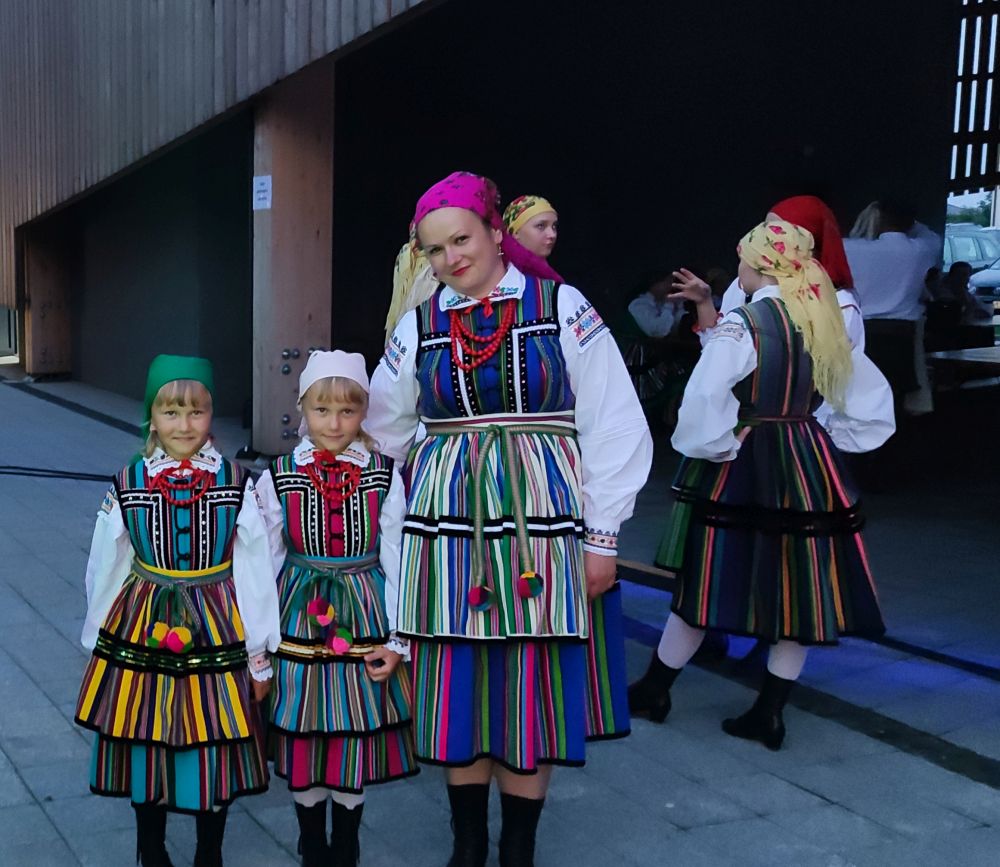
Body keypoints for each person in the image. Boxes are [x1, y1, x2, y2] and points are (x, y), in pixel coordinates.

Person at [368, 171, 652, 867]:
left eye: (461, 239)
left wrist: (603, 536)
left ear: (496, 233)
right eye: (435, 249)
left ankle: (517, 845)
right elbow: (383, 427)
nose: (451, 258)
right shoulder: (419, 324)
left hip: (542, 524)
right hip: (448, 527)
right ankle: (467, 844)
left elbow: (614, 420)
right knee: (459, 681)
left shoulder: (561, 306)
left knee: (533, 680)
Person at [629, 220, 894, 749]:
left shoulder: (744, 323)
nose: (739, 270)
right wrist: (821, 436)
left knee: (708, 575)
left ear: (760, 266)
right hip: (805, 456)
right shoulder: (822, 319)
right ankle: (769, 712)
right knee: (800, 586)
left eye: (743, 261)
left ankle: (656, 689)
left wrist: (715, 446)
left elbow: (704, 397)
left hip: (745, 456)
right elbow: (867, 401)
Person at [75, 354, 281, 867]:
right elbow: (106, 563)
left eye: (196, 411)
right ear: (151, 417)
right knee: (145, 733)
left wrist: (259, 653)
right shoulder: (128, 481)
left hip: (217, 623)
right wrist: (97, 640)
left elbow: (254, 570)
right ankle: (152, 848)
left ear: (211, 414)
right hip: (143, 622)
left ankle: (210, 850)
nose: (184, 425)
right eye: (170, 412)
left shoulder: (236, 482)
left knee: (215, 733)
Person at [256, 350, 417, 867]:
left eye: (348, 411)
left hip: (363, 609)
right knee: (304, 730)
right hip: (298, 612)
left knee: (351, 730)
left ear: (364, 411)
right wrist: (259, 643)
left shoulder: (383, 475)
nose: (334, 423)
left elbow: (398, 558)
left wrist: (399, 637)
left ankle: (346, 844)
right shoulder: (278, 476)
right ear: (302, 408)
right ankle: (312, 842)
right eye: (321, 410)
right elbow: (264, 562)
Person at [844, 199, 941, 413]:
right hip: (902, 335)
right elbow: (930, 235)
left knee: (859, 399)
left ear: (878, 218)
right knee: (896, 398)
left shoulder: (851, 248)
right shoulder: (920, 249)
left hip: (861, 332)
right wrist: (911, 222)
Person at [613, 269, 694, 430]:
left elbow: (675, 327)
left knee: (687, 370)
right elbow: (658, 331)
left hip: (658, 353)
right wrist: (669, 306)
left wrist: (678, 306)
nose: (670, 286)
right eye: (667, 282)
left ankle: (671, 414)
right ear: (654, 284)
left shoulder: (663, 302)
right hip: (639, 360)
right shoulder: (639, 305)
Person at [502, 194, 559, 259]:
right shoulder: (502, 265)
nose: (552, 235)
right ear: (515, 232)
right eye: (540, 226)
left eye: (554, 226)